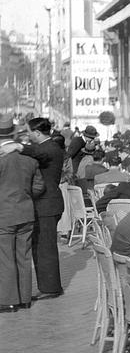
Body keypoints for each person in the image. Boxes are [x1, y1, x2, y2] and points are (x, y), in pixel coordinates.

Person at [0, 117, 44, 311]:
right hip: (26, 212)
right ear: (13, 134)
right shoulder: (29, 159)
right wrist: (24, 195)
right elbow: (39, 187)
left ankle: (9, 300)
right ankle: (25, 298)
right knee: (23, 257)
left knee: (5, 258)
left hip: (4, 215)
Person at [19, 117, 66, 299]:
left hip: (47, 205)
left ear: (37, 133)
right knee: (42, 247)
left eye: (29, 132)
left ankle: (51, 288)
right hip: (47, 204)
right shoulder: (49, 147)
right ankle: (49, 286)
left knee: (45, 248)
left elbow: (40, 153)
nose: (28, 135)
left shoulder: (51, 148)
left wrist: (18, 147)